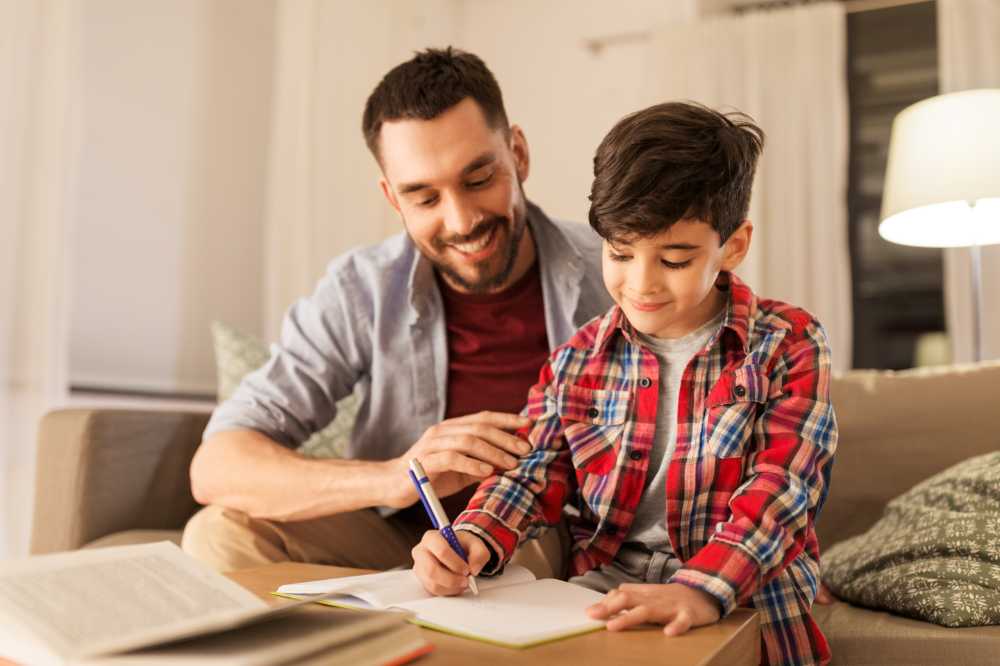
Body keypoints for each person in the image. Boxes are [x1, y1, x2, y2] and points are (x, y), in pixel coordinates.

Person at [411, 101, 837, 665]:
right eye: (620, 252)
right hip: (605, 594)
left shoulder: (789, 342)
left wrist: (700, 589)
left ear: (732, 246)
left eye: (675, 260)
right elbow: (533, 474)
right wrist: (473, 537)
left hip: (744, 594)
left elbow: (782, 491)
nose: (642, 284)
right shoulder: (577, 359)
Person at [181, 47, 611, 575]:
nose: (461, 220)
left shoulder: (618, 271)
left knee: (528, 554)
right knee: (220, 534)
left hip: (542, 537)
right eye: (424, 198)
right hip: (401, 539)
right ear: (392, 197)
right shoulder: (361, 289)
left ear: (517, 154)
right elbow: (218, 466)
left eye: (478, 180)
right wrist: (400, 476)